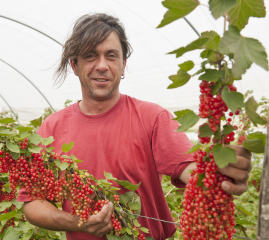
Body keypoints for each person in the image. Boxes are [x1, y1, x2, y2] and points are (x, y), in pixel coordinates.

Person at [17, 13, 252, 240]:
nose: (102, 65)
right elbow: (32, 204)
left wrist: (221, 171)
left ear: (123, 64)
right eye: (90, 56)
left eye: (111, 56)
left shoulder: (153, 117)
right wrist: (76, 222)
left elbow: (190, 170)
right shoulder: (51, 128)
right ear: (75, 65)